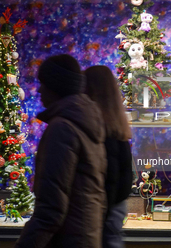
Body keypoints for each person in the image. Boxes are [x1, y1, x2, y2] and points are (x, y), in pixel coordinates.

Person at [15, 55, 107, 248]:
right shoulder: (88, 124)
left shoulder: (63, 129)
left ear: (56, 86)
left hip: (67, 240)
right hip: (86, 237)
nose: (39, 90)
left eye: (43, 83)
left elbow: (51, 209)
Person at [85, 66, 133, 248]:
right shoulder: (117, 125)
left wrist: (101, 213)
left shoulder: (100, 128)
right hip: (115, 209)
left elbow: (111, 178)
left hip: (104, 211)